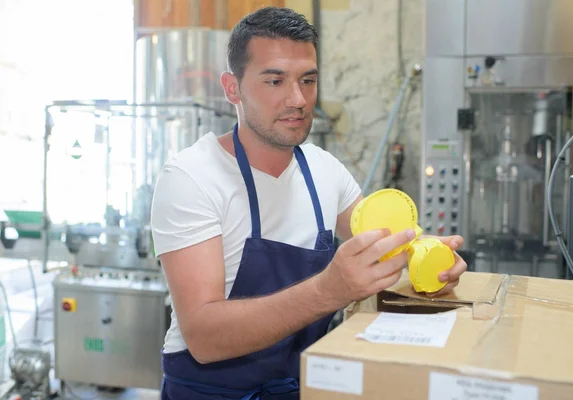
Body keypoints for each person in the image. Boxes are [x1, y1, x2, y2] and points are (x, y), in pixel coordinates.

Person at [150, 6, 467, 400]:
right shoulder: (191, 178)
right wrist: (329, 291)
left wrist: (431, 258)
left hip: (301, 387)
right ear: (232, 88)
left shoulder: (324, 170)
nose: (298, 99)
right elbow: (204, 336)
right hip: (210, 392)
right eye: (275, 80)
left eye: (308, 80)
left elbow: (387, 248)